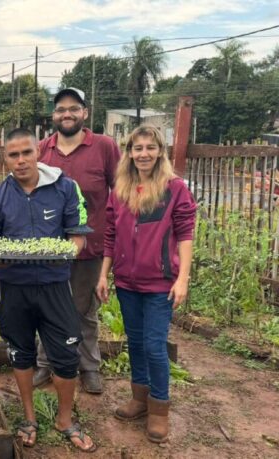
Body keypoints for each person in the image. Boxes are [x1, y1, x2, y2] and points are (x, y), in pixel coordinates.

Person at [0, 128, 95, 452]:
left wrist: (68, 251)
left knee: (66, 356)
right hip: (14, 288)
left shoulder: (66, 188)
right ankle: (29, 417)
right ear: (5, 159)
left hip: (55, 287)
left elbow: (78, 235)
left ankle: (65, 419)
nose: (21, 160)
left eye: (26, 152)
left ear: (37, 152)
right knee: (20, 352)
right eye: (13, 155)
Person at [96, 126, 196, 444]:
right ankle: (139, 399)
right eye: (137, 148)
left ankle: (159, 409)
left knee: (155, 346)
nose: (143, 154)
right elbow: (110, 235)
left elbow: (185, 234)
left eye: (150, 148)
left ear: (160, 152)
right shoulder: (121, 189)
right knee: (135, 343)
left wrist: (182, 279)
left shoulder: (174, 188)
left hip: (159, 283)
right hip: (126, 281)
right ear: (129, 153)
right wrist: (103, 274)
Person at [35, 87, 121, 394]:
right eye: (60, 109)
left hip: (90, 246)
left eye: (74, 108)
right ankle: (46, 363)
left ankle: (88, 367)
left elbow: (120, 191)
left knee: (84, 310)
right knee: (47, 307)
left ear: (84, 113)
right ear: (54, 115)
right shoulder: (43, 149)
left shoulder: (104, 146)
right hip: (49, 248)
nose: (67, 114)